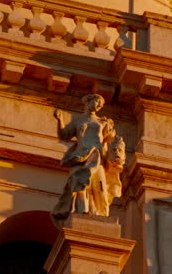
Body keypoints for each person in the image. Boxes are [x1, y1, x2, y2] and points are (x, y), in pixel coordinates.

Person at [52, 94, 126, 227]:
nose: (98, 106)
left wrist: (112, 132)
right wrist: (60, 120)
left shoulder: (103, 122)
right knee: (80, 186)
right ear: (88, 102)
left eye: (101, 105)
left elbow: (111, 139)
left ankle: (101, 215)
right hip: (81, 157)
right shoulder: (78, 121)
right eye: (97, 102)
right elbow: (64, 135)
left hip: (97, 158)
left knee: (100, 188)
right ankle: (82, 211)